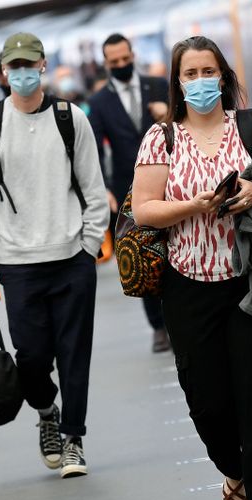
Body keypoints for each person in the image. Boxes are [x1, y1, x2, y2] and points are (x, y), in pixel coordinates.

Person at [131, 35, 252, 500]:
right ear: (178, 81)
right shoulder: (161, 138)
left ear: (224, 77)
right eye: (191, 74)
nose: (202, 82)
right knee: (206, 398)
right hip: (188, 285)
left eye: (210, 72)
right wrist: (194, 206)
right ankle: (234, 471)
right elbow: (145, 208)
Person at [0, 32, 109, 478]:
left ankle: (73, 438)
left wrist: (87, 248)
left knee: (74, 353)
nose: (23, 73)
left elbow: (94, 189)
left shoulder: (70, 118)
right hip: (17, 264)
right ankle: (47, 412)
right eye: (15, 66)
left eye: (30, 64)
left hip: (71, 258)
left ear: (43, 65)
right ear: (4, 71)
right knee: (29, 357)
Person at [87, 33, 171, 353]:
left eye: (125, 59)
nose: (121, 65)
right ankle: (158, 327)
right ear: (105, 64)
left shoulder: (159, 85)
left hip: (171, 183)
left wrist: (166, 113)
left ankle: (176, 320)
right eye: (114, 62)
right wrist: (104, 188)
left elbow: (185, 125)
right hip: (128, 190)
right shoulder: (99, 102)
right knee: (143, 257)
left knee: (175, 254)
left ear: (133, 55)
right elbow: (94, 148)